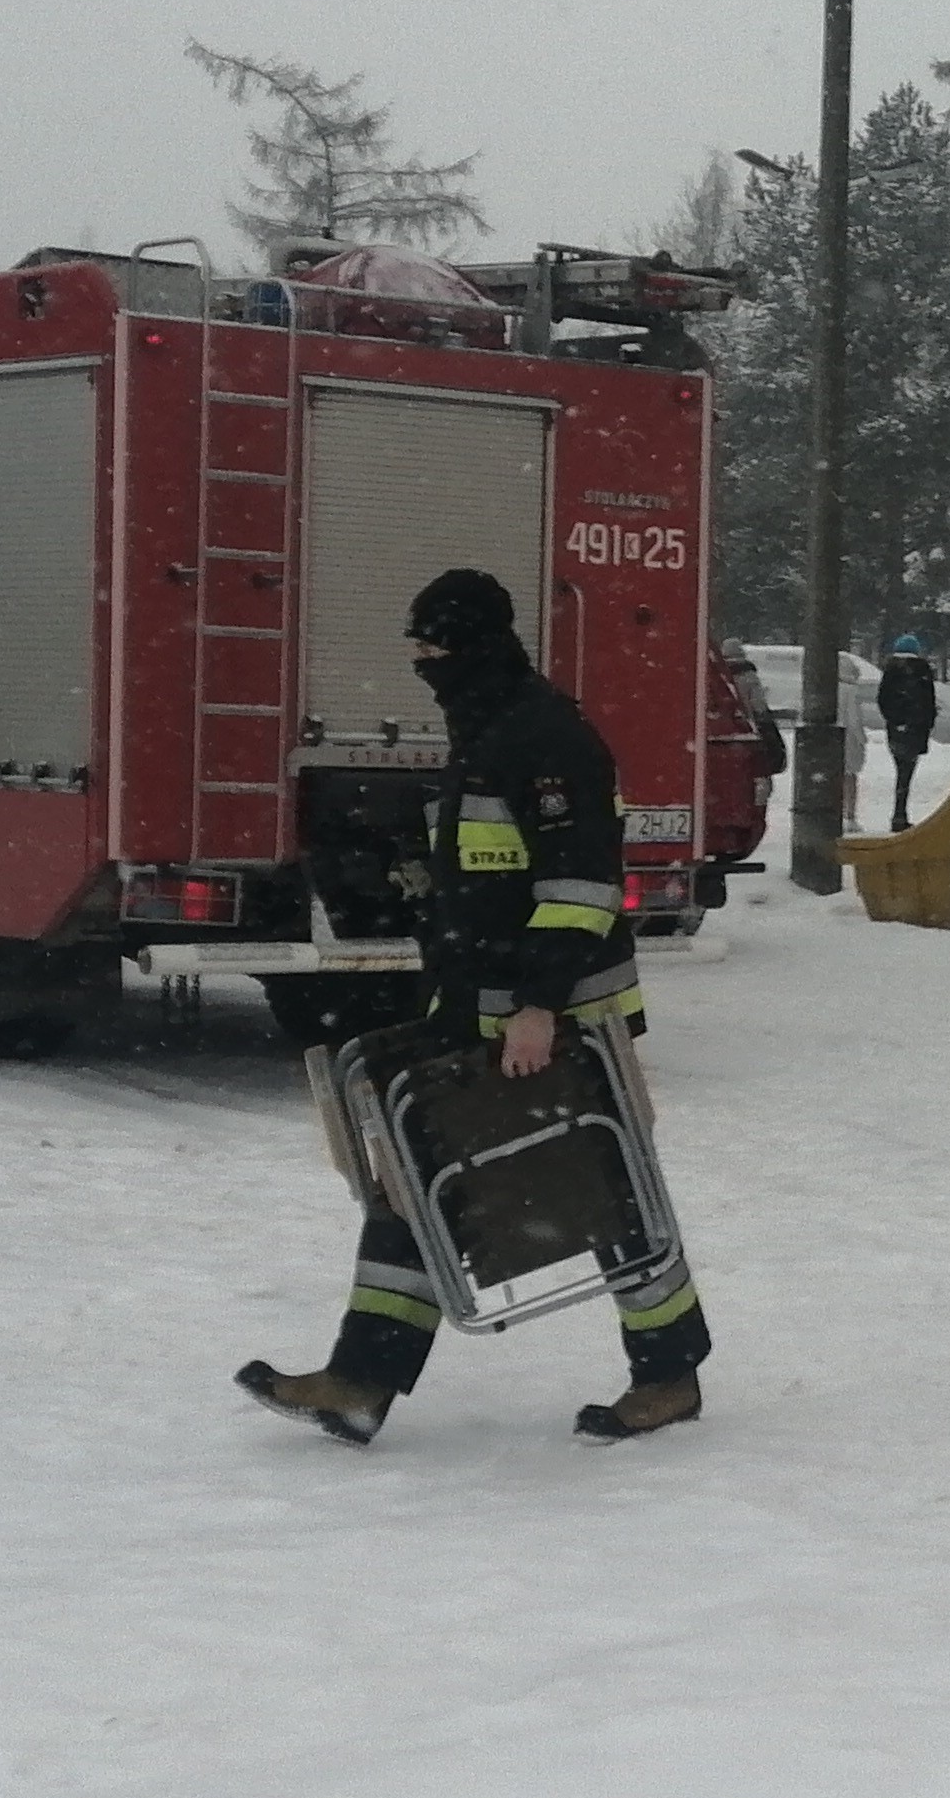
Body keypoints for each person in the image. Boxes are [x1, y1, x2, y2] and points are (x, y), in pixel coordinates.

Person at [239, 568, 712, 1447]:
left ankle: (669, 1376)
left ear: (476, 645)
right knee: (414, 1174)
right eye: (418, 648)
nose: (423, 664)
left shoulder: (546, 737)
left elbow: (581, 886)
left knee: (608, 1191)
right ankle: (360, 1378)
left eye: (434, 648)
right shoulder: (488, 728)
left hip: (560, 1016)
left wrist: (538, 1008)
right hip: (478, 1005)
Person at [874, 630, 939, 831]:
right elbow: (927, 701)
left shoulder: (890, 670)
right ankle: (899, 814)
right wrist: (925, 723)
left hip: (896, 729)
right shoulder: (921, 670)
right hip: (916, 730)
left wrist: (896, 720)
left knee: (901, 769)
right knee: (906, 772)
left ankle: (899, 813)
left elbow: (883, 699)